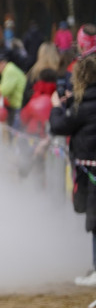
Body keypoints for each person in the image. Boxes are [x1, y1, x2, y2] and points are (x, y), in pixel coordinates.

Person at [49, 45, 96, 287]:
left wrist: (56, 106)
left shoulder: (82, 105)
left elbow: (59, 126)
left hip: (91, 172)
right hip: (89, 170)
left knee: (95, 220)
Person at [0, 52, 27, 130]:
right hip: (18, 104)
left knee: (16, 131)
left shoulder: (9, 70)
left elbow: (5, 90)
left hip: (19, 105)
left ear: (1, 64)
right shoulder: (10, 68)